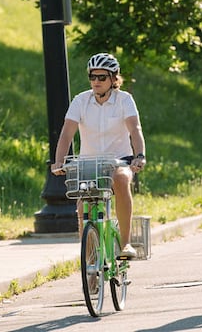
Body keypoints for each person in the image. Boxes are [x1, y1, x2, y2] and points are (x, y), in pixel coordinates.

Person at [51, 53, 146, 258]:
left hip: (119, 161)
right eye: (92, 77)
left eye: (102, 77)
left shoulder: (124, 100)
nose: (96, 81)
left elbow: (135, 130)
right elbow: (67, 133)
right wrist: (58, 161)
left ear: (114, 79)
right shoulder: (81, 100)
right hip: (89, 164)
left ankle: (126, 243)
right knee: (81, 207)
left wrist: (139, 155)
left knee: (121, 180)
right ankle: (90, 261)